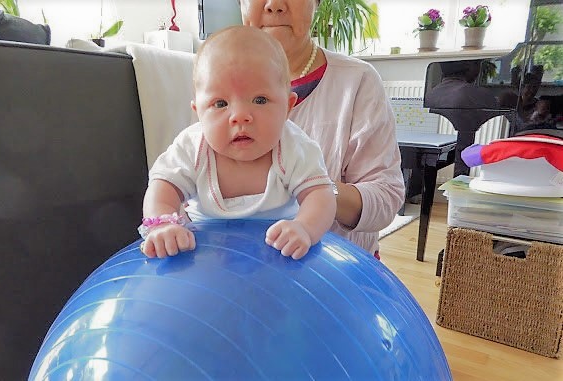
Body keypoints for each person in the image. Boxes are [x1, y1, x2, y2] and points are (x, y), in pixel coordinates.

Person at [140, 26, 336, 260]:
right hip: (206, 254)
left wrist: (305, 227)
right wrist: (163, 224)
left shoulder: (294, 147)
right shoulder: (193, 147)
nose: (240, 116)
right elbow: (163, 185)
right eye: (221, 104)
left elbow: (320, 195)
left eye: (260, 100)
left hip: (279, 252)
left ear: (288, 106)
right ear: (199, 113)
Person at [239, 0, 405, 258]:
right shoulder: (218, 85)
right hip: (246, 268)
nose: (273, 5)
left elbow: (385, 198)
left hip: (338, 272)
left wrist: (315, 189)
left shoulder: (357, 81)